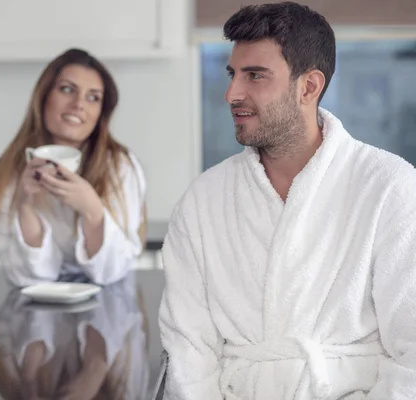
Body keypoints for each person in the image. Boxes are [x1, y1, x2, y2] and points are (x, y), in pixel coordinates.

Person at [158, 2, 416, 399]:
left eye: (255, 76)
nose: (231, 93)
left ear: (308, 86)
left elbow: (412, 352)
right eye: (232, 74)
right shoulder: (202, 201)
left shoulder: (389, 188)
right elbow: (188, 350)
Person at [0, 48, 147, 287]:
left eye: (93, 97)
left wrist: (92, 210)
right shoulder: (13, 170)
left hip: (108, 312)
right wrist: (24, 206)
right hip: (33, 315)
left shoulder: (119, 165)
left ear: (101, 113)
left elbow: (113, 271)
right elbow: (25, 277)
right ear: (44, 96)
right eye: (67, 89)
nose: (78, 104)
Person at [0, 274, 150, 399]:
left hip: (30, 279)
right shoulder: (125, 389)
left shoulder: (15, 381)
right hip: (112, 276)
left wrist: (29, 372)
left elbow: (4, 320)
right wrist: (96, 366)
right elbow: (124, 306)